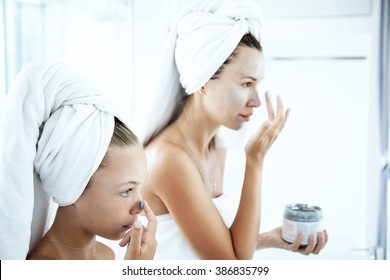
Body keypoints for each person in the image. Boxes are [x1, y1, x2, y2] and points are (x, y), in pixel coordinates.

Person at [136, 0, 328, 259]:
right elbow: (233, 265)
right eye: (246, 84)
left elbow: (216, 243)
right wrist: (255, 160)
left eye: (257, 84)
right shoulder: (170, 160)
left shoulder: (216, 146)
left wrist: (270, 239)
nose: (257, 101)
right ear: (203, 80)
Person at [0, 60, 157, 260]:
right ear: (73, 186)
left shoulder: (107, 255)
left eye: (138, 188)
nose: (140, 206)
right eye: (126, 191)